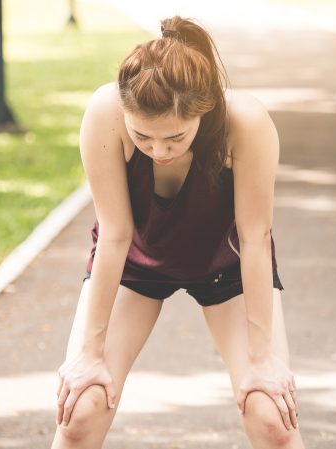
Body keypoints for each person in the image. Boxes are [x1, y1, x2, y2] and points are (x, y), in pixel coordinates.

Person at [52, 15, 304, 449]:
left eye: (175, 137)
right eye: (143, 137)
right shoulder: (105, 112)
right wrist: (90, 355)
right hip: (135, 261)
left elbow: (255, 240)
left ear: (202, 113)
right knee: (82, 409)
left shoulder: (244, 122)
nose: (159, 151)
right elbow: (114, 234)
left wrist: (262, 360)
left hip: (227, 267)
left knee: (270, 417)